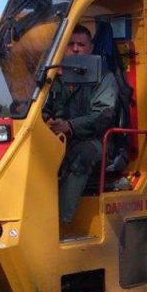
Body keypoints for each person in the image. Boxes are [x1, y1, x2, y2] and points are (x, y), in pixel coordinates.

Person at [44, 24, 119, 224]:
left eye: (81, 44)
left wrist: (71, 126)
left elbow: (104, 114)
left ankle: (60, 220)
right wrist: (46, 120)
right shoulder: (52, 78)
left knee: (82, 154)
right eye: (71, 44)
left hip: (96, 141)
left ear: (90, 48)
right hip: (57, 139)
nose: (76, 49)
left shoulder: (103, 78)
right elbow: (41, 108)